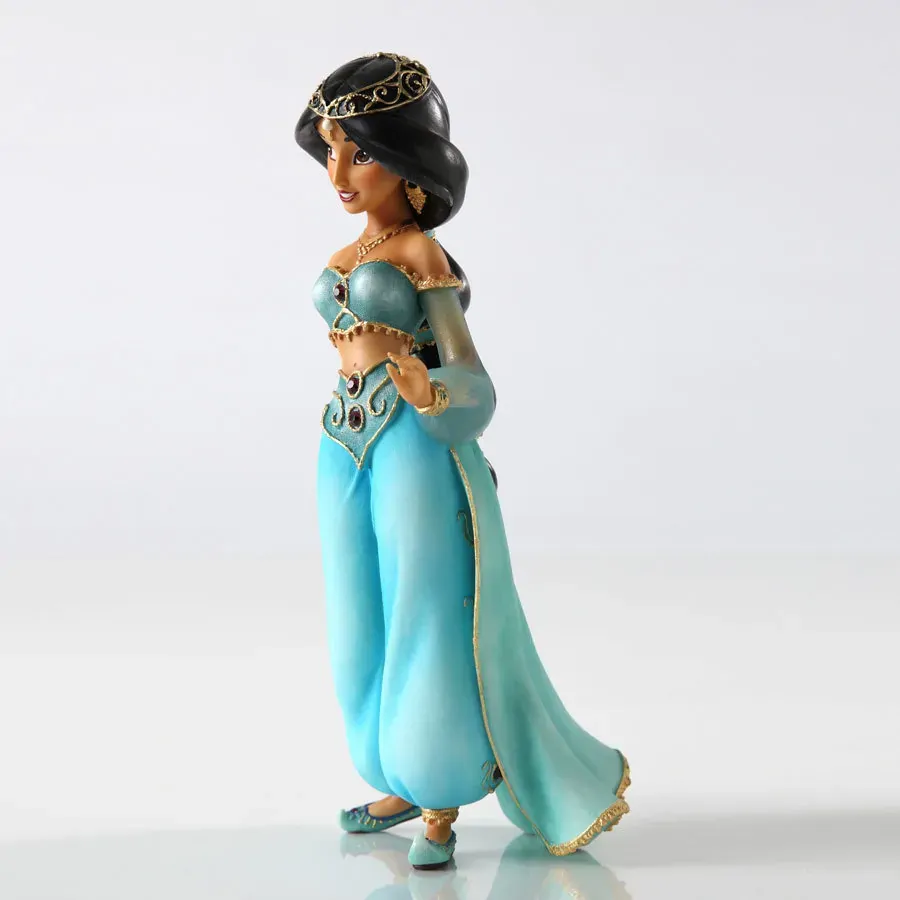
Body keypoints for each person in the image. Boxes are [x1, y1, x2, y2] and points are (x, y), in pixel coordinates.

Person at [295, 52, 630, 871]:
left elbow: (471, 375)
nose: (339, 174)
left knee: (425, 606)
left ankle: (439, 793)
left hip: (411, 442)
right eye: (332, 151)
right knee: (357, 613)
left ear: (404, 159)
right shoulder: (351, 251)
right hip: (341, 441)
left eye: (359, 154)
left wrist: (430, 388)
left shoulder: (420, 254)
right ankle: (391, 773)